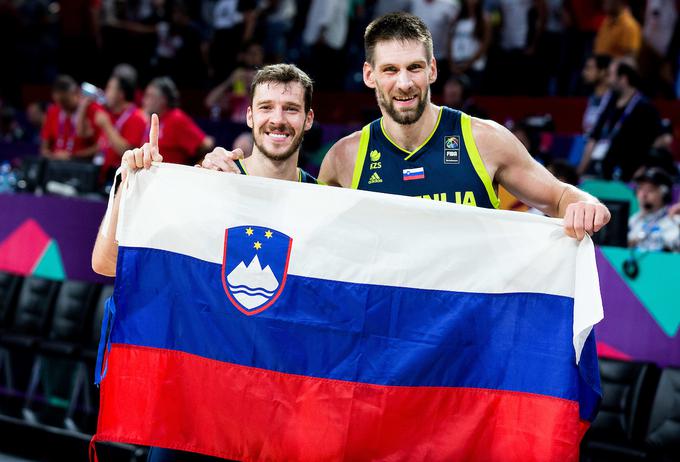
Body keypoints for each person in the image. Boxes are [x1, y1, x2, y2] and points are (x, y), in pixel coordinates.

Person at [91, 63, 318, 462]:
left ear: (309, 118)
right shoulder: (206, 185)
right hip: (191, 417)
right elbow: (105, 263)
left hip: (273, 423)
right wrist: (130, 186)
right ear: (249, 115)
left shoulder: (325, 209)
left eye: (291, 109)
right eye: (265, 107)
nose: (277, 120)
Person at [316, 12, 609, 240]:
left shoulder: (483, 139)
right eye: (390, 69)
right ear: (369, 75)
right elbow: (312, 235)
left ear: (432, 69)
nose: (403, 83)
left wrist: (584, 203)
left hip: (470, 314)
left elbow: (559, 197)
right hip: (391, 316)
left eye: (414, 68)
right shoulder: (346, 157)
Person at [579, 59, 661, 180]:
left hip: (627, 175)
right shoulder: (609, 102)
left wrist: (640, 172)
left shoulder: (645, 108)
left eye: (611, 75)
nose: (608, 80)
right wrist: (579, 171)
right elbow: (594, 138)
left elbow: (655, 143)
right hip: (601, 170)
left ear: (623, 79)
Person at [141, 76, 215, 166]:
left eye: (150, 96)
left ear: (163, 100)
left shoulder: (176, 118)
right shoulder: (148, 118)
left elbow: (206, 144)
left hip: (171, 176)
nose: (144, 100)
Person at [89, 71, 147, 183]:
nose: (106, 93)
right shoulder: (110, 113)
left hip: (121, 179)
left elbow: (126, 151)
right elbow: (83, 133)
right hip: (100, 175)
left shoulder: (137, 117)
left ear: (121, 94)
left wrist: (106, 125)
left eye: (110, 88)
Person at [40, 75, 101, 160]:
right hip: (56, 165)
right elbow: (44, 149)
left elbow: (101, 146)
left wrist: (73, 156)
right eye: (59, 102)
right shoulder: (53, 111)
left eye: (65, 101)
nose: (63, 106)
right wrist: (53, 156)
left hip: (83, 164)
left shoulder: (93, 110)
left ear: (76, 93)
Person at [628, 167, 679, 252]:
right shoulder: (633, 221)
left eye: (649, 190)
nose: (643, 195)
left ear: (664, 193)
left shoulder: (674, 220)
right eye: (640, 189)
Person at [581, 54, 612, 134]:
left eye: (589, 68)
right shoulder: (591, 98)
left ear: (602, 72)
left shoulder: (613, 100)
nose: (584, 72)